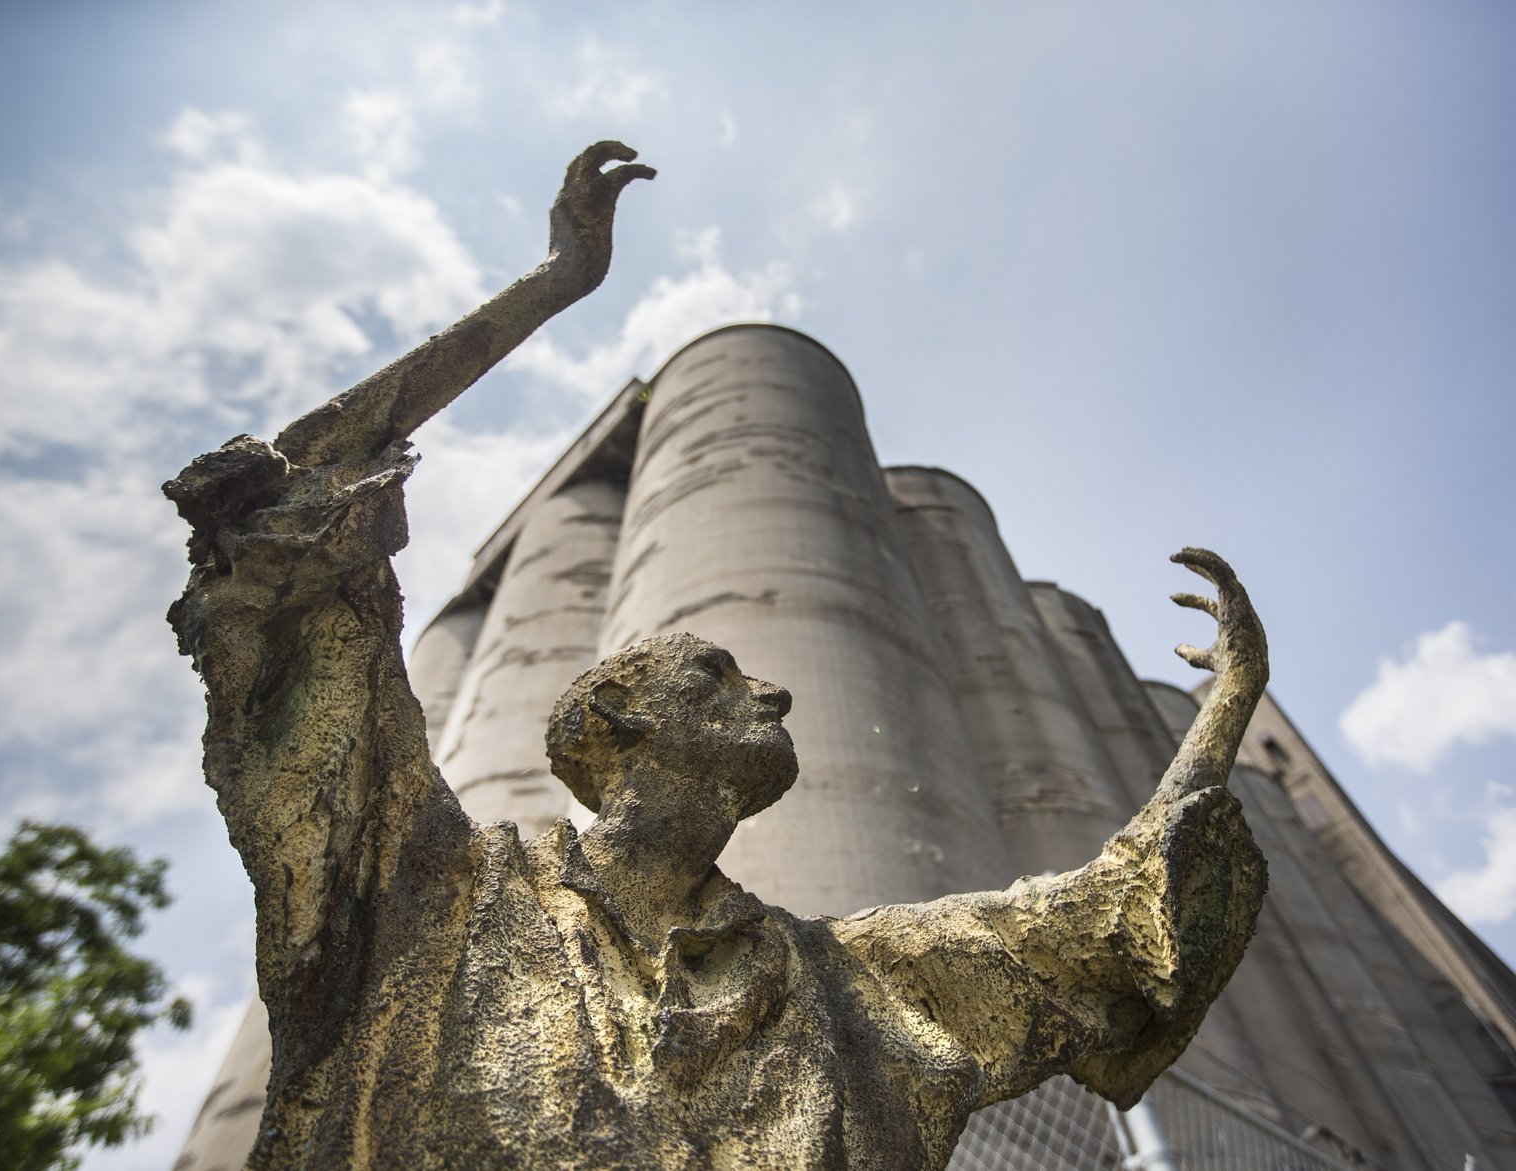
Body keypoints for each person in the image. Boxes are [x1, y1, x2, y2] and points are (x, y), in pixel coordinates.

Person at [165, 142, 1267, 1171]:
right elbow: (282, 513)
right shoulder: (427, 893)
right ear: (623, 725)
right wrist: (555, 285)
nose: (775, 687)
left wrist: (1219, 716)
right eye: (718, 678)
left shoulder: (835, 981)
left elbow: (1095, 931)